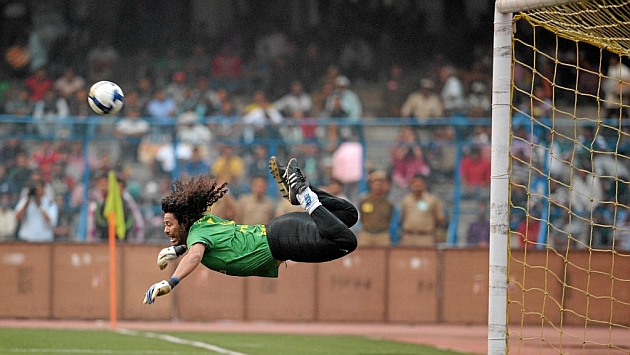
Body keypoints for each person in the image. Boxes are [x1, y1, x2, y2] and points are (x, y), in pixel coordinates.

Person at [143, 157, 358, 304]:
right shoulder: (203, 223)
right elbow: (200, 246)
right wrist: (178, 250)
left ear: (184, 222)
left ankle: (303, 193)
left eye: (169, 224)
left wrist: (171, 282)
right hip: (282, 230)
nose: (165, 230)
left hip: (283, 241)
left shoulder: (197, 236)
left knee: (346, 242)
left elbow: (196, 254)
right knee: (349, 214)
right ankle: (302, 192)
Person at [399, 174, 446, 247]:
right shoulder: (406, 200)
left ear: (424, 185)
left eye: (420, 183)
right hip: (408, 237)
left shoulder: (432, 200)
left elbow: (440, 219)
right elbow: (402, 218)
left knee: (425, 258)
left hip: (425, 238)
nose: (417, 185)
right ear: (411, 185)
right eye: (415, 183)